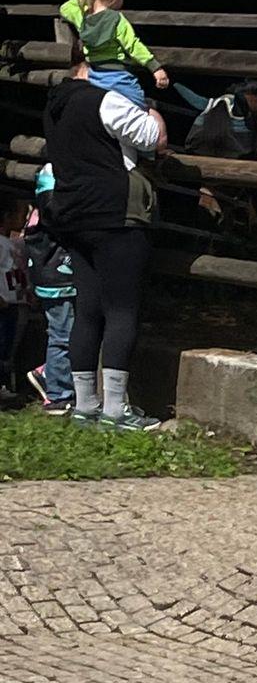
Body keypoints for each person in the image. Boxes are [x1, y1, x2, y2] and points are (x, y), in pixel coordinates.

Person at [41, 61, 165, 429]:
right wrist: (151, 111)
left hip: (74, 214)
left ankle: (85, 404)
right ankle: (115, 409)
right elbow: (152, 138)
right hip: (115, 214)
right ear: (89, 65)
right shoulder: (105, 100)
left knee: (88, 309)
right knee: (122, 309)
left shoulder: (55, 106)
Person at [59, 0, 169, 106]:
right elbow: (133, 45)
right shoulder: (116, 19)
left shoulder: (82, 17)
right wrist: (155, 67)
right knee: (139, 106)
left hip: (95, 76)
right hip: (119, 77)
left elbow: (64, 8)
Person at [24, 174, 77, 415]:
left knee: (65, 332)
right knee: (62, 335)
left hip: (57, 276)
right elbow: (60, 219)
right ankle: (57, 394)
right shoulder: (52, 193)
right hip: (57, 278)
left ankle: (49, 373)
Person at [0, 200, 24, 402]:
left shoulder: (11, 243)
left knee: (8, 346)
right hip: (3, 302)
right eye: (21, 214)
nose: (23, 219)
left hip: (13, 302)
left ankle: (5, 384)